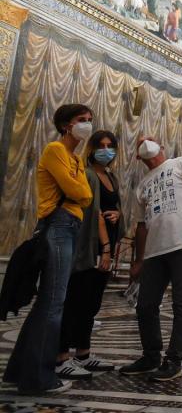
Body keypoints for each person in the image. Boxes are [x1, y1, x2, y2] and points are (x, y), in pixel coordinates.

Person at [4, 104, 94, 395]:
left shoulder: (76, 158)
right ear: (67, 124)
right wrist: (79, 192)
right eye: (82, 120)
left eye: (90, 120)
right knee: (54, 304)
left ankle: (21, 371)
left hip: (69, 227)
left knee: (48, 303)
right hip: (58, 225)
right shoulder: (55, 150)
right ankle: (39, 378)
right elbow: (78, 192)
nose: (87, 125)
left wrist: (80, 192)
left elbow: (86, 196)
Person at [120, 137, 182, 382]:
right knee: (145, 305)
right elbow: (141, 225)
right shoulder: (142, 185)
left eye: (151, 141)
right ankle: (151, 356)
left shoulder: (180, 163)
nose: (146, 143)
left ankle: (173, 360)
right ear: (138, 158)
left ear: (162, 147)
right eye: (142, 143)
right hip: (154, 251)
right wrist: (138, 260)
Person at [57, 130, 124, 379]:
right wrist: (105, 248)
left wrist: (119, 216)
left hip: (105, 245)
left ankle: (83, 354)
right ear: (92, 148)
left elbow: (113, 207)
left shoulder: (111, 177)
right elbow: (93, 212)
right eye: (101, 145)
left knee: (91, 304)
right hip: (90, 247)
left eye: (110, 146)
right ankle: (61, 355)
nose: (106, 150)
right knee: (75, 301)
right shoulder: (86, 174)